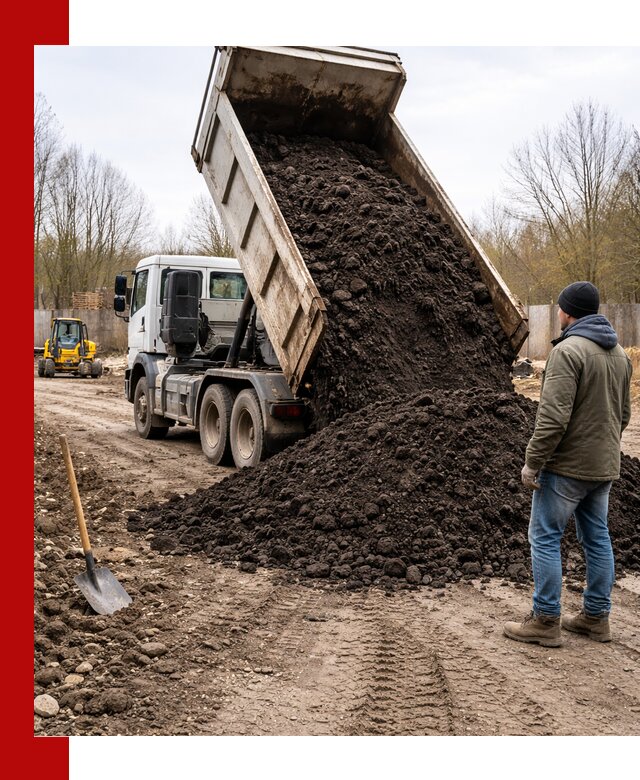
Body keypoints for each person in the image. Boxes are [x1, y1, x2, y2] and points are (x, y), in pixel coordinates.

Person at [504, 281, 632, 648]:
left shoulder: (568, 351)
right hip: (603, 467)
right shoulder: (620, 354)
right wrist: (602, 449)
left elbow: (553, 418)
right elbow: (623, 415)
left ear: (567, 311)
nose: (558, 313)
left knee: (544, 536)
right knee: (597, 538)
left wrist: (532, 462)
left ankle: (545, 620)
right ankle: (596, 617)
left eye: (560, 307)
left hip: (566, 468)